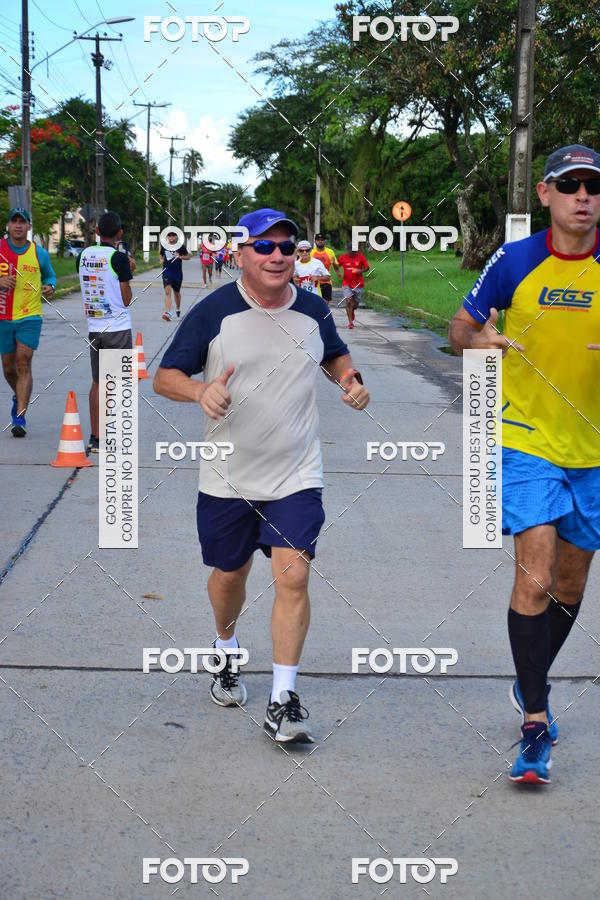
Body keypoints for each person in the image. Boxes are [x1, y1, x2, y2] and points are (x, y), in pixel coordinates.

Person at [153, 207, 369, 743]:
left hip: (297, 473)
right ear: (241, 254)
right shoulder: (214, 313)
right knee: (230, 576)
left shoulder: (316, 308)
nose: (277, 256)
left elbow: (336, 358)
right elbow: (164, 376)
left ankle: (283, 699)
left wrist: (351, 380)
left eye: (286, 247)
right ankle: (226, 649)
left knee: (293, 575)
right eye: (264, 247)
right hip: (227, 476)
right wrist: (199, 390)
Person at [448, 144, 600, 785]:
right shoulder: (515, 261)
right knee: (534, 577)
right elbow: (459, 328)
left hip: (592, 449)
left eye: (593, 186)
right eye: (570, 185)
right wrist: (481, 338)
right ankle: (535, 721)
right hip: (525, 437)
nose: (583, 197)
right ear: (546, 194)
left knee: (569, 585)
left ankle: (525, 679)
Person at [76, 211, 133, 452]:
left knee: (98, 382)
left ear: (97, 232)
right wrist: (127, 272)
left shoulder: (83, 255)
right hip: (118, 328)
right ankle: (113, 436)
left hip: (94, 328)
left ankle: (95, 437)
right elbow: (126, 298)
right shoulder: (119, 259)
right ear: (119, 233)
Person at [0, 207, 56, 437]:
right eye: (14, 221)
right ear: (8, 226)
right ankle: (18, 395)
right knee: (8, 368)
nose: (18, 225)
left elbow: (50, 275)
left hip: (30, 316)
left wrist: (50, 286)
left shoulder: (39, 253)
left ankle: (19, 417)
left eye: (22, 222)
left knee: (23, 363)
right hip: (3, 316)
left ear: (29, 226)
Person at [337, 243, 370, 328]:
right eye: (351, 251)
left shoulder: (361, 257)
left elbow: (367, 267)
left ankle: (352, 311)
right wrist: (338, 271)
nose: (353, 253)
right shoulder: (343, 257)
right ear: (348, 250)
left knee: (355, 305)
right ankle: (350, 322)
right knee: (348, 301)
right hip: (347, 283)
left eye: (355, 251)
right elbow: (337, 266)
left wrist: (361, 270)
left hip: (358, 284)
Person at [160, 232, 190, 321]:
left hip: (177, 273)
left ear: (176, 237)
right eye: (169, 235)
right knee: (167, 291)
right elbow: (161, 255)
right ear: (167, 237)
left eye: (173, 235)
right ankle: (168, 313)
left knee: (177, 293)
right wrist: (161, 259)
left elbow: (188, 257)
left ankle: (178, 309)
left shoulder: (180, 246)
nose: (171, 237)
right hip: (167, 272)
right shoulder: (164, 246)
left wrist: (179, 256)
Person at [311, 233, 340, 305]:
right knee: (315, 304)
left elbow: (337, 268)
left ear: (325, 241)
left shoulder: (330, 252)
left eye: (322, 240)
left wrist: (333, 263)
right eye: (318, 240)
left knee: (324, 305)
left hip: (326, 282)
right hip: (314, 283)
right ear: (315, 241)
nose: (320, 241)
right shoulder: (311, 252)